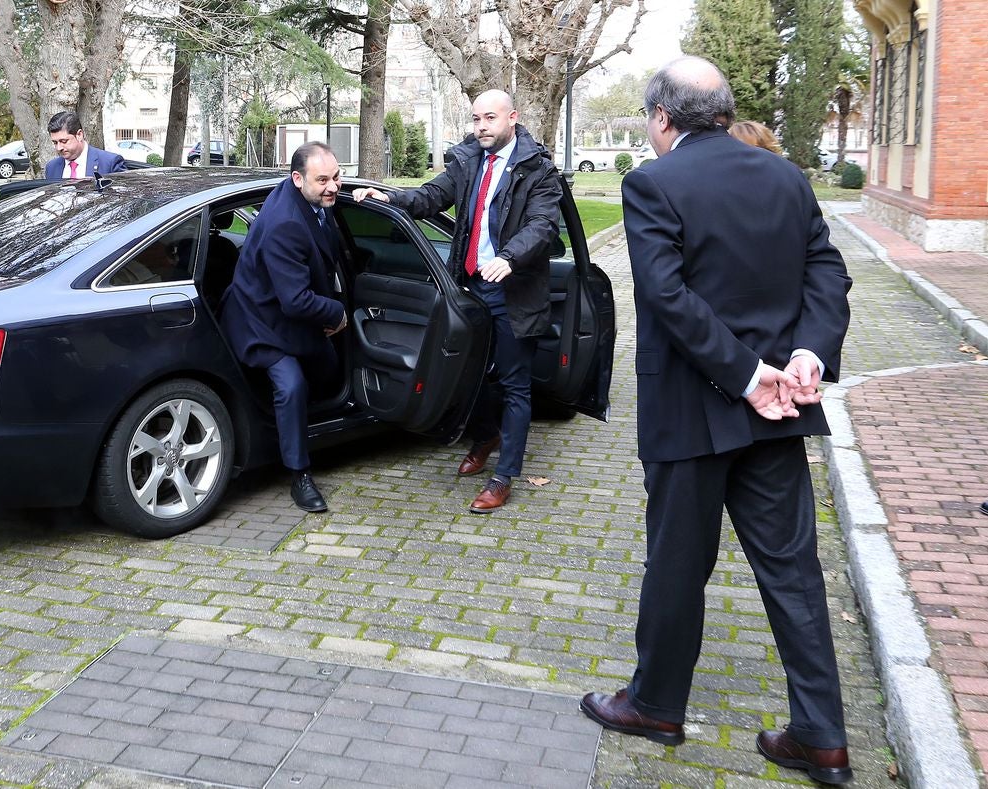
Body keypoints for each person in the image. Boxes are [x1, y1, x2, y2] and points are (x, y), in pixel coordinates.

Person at [577, 56, 855, 786]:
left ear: (661, 118)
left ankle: (655, 705)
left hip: (693, 410)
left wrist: (746, 373)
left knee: (675, 565)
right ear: (724, 114)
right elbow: (826, 273)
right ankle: (822, 737)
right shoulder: (785, 177)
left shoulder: (652, 181)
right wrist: (805, 354)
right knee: (793, 574)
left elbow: (665, 297)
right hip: (775, 415)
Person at [353, 90, 561, 514]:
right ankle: (486, 436)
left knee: (513, 384)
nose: (481, 126)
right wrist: (387, 197)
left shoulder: (537, 169)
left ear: (512, 118)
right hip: (469, 287)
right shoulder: (469, 161)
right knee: (473, 375)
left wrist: (509, 258)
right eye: (476, 119)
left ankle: (504, 476)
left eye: (490, 118)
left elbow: (542, 226)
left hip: (513, 291)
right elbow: (430, 198)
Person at [218, 141, 347, 512]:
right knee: (291, 387)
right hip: (262, 322)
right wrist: (337, 313)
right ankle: (299, 475)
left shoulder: (304, 198)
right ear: (296, 178)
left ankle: (324, 426)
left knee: (329, 367)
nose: (333, 187)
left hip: (283, 312)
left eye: (336, 177)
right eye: (323, 179)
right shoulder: (286, 225)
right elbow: (296, 301)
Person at [44, 111, 125, 180]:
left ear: (79, 135)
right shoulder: (51, 168)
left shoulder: (110, 163)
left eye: (64, 141)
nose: (59, 148)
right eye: (55, 142)